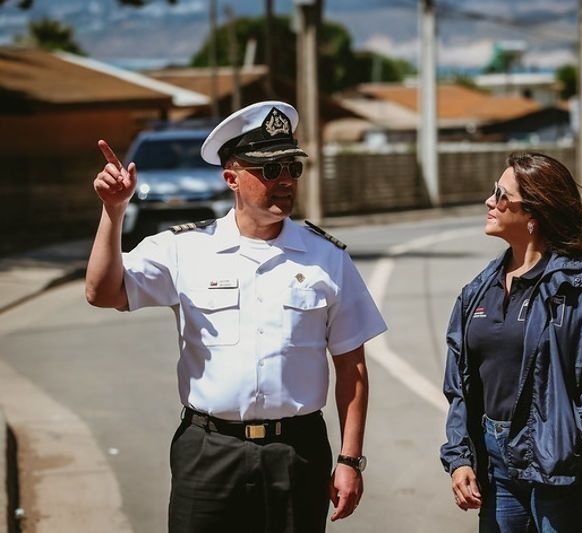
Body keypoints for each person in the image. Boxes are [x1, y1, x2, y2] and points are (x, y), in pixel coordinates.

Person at [85, 101, 387, 533]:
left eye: (291, 169)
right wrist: (113, 212)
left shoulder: (328, 258)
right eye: (269, 170)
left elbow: (351, 367)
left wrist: (350, 459)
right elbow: (102, 292)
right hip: (208, 451)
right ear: (232, 178)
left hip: (296, 452)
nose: (284, 181)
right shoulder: (185, 249)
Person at [440, 152, 582, 532]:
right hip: (496, 462)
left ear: (534, 213)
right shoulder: (479, 289)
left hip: (560, 466)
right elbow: (460, 385)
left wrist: (570, 435)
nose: (490, 202)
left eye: (500, 195)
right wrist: (461, 457)